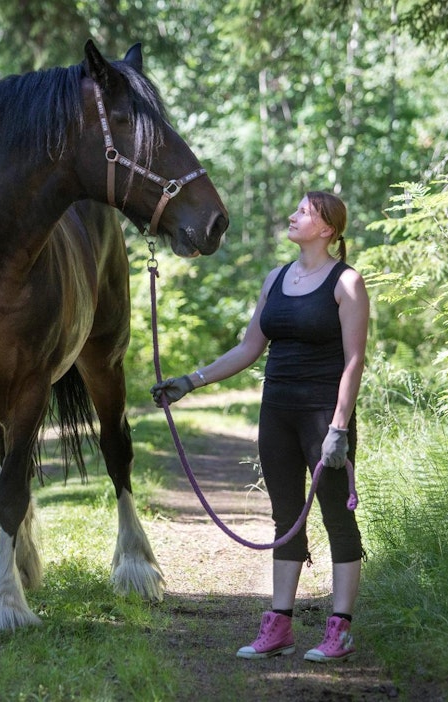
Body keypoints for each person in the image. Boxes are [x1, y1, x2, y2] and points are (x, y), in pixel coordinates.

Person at [151, 191, 368, 663]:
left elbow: (354, 362)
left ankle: (340, 629)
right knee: (285, 518)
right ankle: (280, 624)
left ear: (327, 229)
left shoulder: (346, 282)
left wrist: (339, 428)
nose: (292, 216)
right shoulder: (276, 279)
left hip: (323, 419)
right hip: (277, 416)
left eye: (304, 212)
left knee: (337, 517)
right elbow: (250, 348)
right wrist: (191, 380)